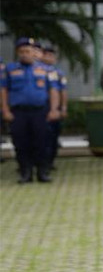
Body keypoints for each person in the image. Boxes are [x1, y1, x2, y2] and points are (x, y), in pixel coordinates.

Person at [1, 37, 57, 183]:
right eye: (22, 51)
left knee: (42, 142)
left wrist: (54, 109)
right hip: (18, 112)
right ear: (18, 53)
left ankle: (42, 172)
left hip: (40, 111)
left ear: (34, 53)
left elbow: (53, 91)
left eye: (28, 51)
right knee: (21, 143)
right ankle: (25, 172)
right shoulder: (10, 69)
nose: (25, 54)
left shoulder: (45, 70)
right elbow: (4, 90)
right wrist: (5, 110)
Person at [39, 42, 66, 171]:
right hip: (40, 108)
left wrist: (63, 108)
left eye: (52, 55)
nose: (49, 57)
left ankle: (50, 161)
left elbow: (63, 91)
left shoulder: (58, 73)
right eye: (47, 55)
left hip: (55, 108)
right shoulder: (37, 70)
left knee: (53, 136)